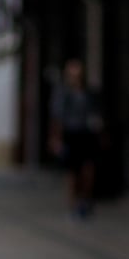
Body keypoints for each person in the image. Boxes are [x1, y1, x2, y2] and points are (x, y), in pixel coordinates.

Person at [48, 58, 103, 217]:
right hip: (71, 134)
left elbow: (95, 114)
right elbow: (57, 117)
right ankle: (73, 204)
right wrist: (55, 138)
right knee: (73, 172)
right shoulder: (63, 93)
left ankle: (85, 200)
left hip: (86, 134)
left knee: (88, 169)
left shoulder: (88, 92)